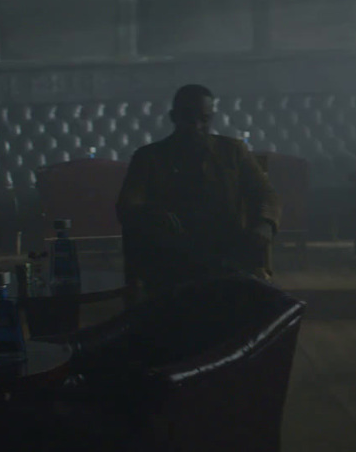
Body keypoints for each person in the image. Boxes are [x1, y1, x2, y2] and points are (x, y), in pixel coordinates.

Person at [116, 84, 281, 303]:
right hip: (172, 254)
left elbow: (265, 193)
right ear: (174, 117)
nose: (196, 126)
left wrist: (265, 224)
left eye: (204, 119)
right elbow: (128, 205)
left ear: (212, 118)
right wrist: (153, 215)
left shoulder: (233, 151)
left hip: (227, 249)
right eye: (188, 118)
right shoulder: (148, 158)